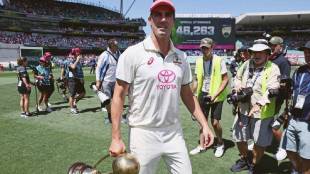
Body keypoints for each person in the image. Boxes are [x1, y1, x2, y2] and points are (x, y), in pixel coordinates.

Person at [109, 1, 214, 174]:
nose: (163, 19)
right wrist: (116, 137)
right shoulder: (132, 54)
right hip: (143, 133)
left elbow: (187, 94)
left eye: (167, 15)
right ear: (150, 20)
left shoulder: (181, 57)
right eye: (158, 14)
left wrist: (204, 125)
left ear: (173, 21)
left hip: (174, 133)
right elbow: (118, 96)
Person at [230, 41, 280, 173]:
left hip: (262, 112)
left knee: (259, 142)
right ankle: (245, 159)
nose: (256, 55)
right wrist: (237, 85)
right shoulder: (246, 64)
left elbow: (272, 89)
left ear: (267, 54)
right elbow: (237, 77)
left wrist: (259, 104)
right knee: (238, 136)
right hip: (243, 108)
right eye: (254, 52)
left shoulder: (273, 68)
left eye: (260, 52)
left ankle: (254, 164)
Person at [189, 38, 229, 158]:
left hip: (217, 96)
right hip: (203, 94)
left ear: (212, 47)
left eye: (207, 47)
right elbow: (196, 79)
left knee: (215, 123)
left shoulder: (219, 60)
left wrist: (215, 94)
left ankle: (220, 144)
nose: (204, 50)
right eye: (202, 47)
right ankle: (202, 145)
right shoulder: (198, 61)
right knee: (202, 122)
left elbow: (225, 79)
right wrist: (192, 93)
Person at [282, 41, 310, 174]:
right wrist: (286, 87)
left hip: (308, 122)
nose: (308, 55)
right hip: (294, 118)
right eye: (306, 52)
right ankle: (298, 169)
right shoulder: (300, 71)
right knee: (290, 150)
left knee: (307, 157)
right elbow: (292, 92)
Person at [268, 36, 291, 161]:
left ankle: (283, 147)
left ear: (280, 46)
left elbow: (285, 84)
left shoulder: (283, 61)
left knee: (273, 126)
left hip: (277, 100)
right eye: (270, 45)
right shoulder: (271, 59)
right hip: (269, 99)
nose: (271, 47)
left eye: (274, 45)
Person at [95, 38, 121, 124]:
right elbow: (98, 68)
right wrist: (98, 81)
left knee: (117, 100)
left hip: (116, 81)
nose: (118, 46)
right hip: (106, 81)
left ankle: (117, 116)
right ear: (111, 46)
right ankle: (110, 117)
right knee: (108, 101)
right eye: (116, 45)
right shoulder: (104, 55)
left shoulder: (118, 53)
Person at [67, 48, 85, 114]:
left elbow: (80, 70)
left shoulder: (78, 60)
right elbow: (73, 67)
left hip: (78, 79)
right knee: (72, 94)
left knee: (83, 93)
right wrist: (77, 60)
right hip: (72, 79)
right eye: (78, 52)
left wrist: (82, 78)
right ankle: (72, 108)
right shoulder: (70, 59)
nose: (80, 53)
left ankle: (74, 101)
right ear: (75, 53)